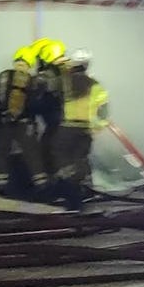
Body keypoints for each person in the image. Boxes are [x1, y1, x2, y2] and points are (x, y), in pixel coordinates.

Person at [0, 39, 63, 198]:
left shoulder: (3, 75)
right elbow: (37, 100)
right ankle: (42, 185)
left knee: (1, 153)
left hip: (3, 122)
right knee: (33, 154)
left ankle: (0, 187)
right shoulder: (33, 79)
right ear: (29, 63)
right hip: (25, 124)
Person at [49, 50, 110, 207]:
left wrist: (54, 67)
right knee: (80, 158)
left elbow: (48, 87)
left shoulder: (64, 81)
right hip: (86, 128)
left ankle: (70, 190)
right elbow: (103, 109)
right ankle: (83, 189)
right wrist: (98, 127)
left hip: (67, 126)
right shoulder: (95, 84)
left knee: (60, 154)